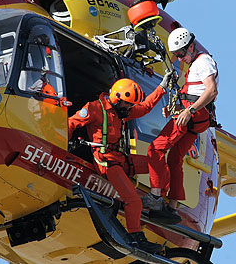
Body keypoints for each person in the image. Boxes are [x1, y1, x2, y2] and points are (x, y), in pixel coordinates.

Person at [68, 74, 171, 253]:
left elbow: (145, 106)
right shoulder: (94, 108)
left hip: (120, 159)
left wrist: (162, 87)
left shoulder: (122, 112)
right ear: (117, 98)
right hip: (106, 162)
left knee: (160, 166)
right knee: (133, 201)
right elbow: (71, 123)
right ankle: (135, 237)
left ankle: (156, 201)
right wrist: (64, 143)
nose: (130, 108)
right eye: (127, 104)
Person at [142, 27, 219, 224]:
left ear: (191, 46)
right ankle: (172, 208)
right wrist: (176, 108)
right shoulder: (196, 64)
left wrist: (188, 111)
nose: (180, 59)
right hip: (196, 119)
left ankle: (156, 196)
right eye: (177, 55)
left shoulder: (203, 61)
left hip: (192, 116)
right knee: (175, 158)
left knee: (155, 149)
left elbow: (211, 91)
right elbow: (196, 92)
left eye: (182, 54)